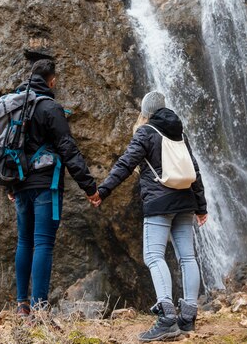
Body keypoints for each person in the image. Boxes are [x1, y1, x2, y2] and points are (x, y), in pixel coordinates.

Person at [92, 91, 208, 342]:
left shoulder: (145, 132)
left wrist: (103, 191)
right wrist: (201, 206)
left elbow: (125, 164)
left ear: (145, 112)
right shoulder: (180, 133)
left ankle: (167, 317)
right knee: (187, 257)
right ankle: (188, 317)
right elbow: (194, 170)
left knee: (154, 256)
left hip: (159, 203)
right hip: (186, 201)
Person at [8, 58, 99, 315]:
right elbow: (68, 149)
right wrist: (89, 187)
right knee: (44, 243)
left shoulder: (14, 106)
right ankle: (40, 308)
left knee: (24, 241)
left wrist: (9, 187)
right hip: (45, 185)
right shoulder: (50, 107)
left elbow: (7, 148)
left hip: (19, 185)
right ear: (53, 80)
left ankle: (22, 305)